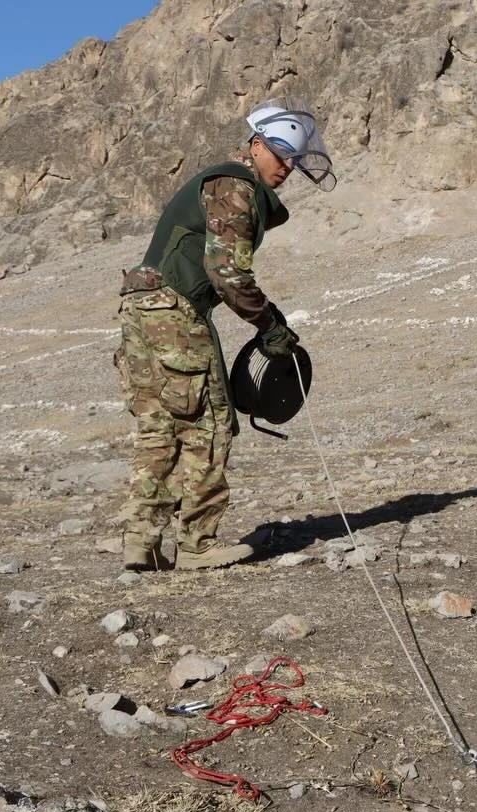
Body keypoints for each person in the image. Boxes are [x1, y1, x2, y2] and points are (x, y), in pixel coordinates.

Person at [112, 97, 334, 571]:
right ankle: (198, 544)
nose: (287, 167)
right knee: (210, 423)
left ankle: (141, 541)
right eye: (280, 154)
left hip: (141, 310)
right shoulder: (236, 186)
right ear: (255, 146)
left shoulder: (219, 182)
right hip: (173, 311)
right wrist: (271, 325)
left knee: (161, 426)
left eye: (294, 160)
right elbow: (227, 273)